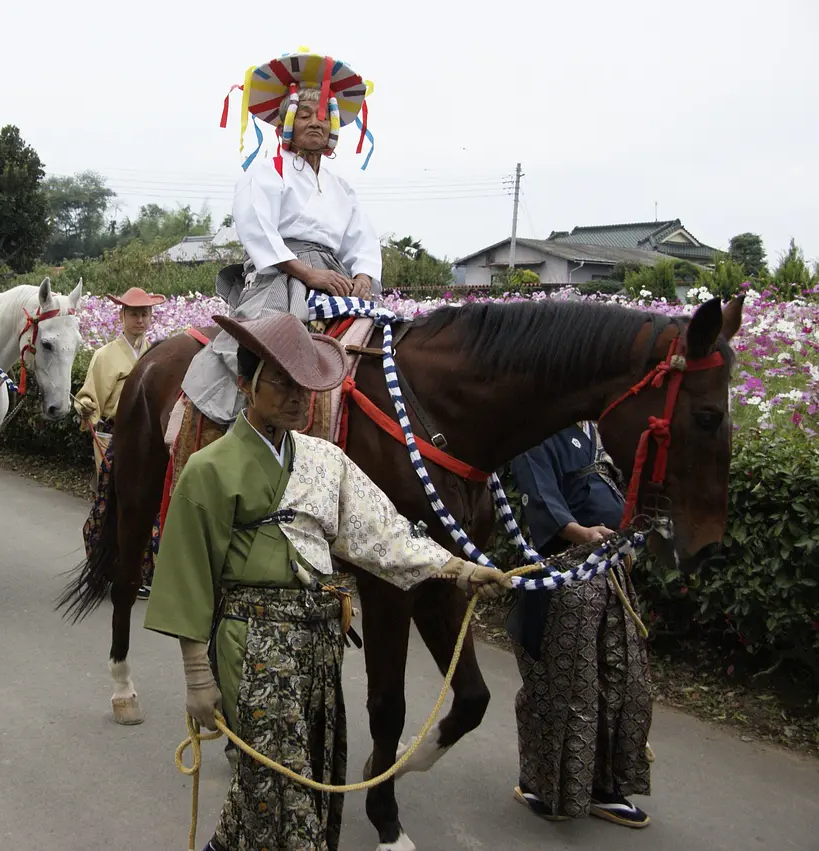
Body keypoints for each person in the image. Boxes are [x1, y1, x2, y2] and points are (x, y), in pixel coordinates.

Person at [144, 312, 510, 851]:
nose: (298, 398)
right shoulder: (208, 469)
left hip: (318, 652)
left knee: (302, 782)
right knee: (280, 791)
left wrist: (459, 569)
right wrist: (198, 676)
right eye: (283, 384)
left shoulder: (325, 460)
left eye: (307, 387)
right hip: (253, 650)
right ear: (246, 385)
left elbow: (383, 534)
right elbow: (187, 576)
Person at [183, 50, 380, 425]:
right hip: (282, 274)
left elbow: (362, 241)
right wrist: (307, 273)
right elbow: (257, 227)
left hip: (336, 274)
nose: (315, 123)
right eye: (304, 115)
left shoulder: (342, 188)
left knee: (383, 336)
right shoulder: (267, 170)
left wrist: (364, 276)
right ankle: (241, 420)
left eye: (323, 116)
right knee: (269, 338)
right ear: (287, 123)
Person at [507, 422, 652, 828]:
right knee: (571, 686)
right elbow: (540, 495)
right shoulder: (538, 428)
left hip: (610, 573)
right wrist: (581, 533)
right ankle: (542, 785)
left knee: (625, 682)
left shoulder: (601, 429)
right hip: (564, 573)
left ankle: (605, 786)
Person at [74, 287, 166, 479]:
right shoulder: (104, 356)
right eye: (133, 314)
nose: (140, 320)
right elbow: (88, 395)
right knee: (113, 493)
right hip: (115, 434)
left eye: (144, 314)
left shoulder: (157, 353)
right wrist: (86, 406)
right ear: (121, 316)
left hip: (149, 436)